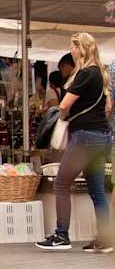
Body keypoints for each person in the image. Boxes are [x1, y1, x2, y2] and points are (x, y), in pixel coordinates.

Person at [37, 33, 113, 252]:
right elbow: (107, 108)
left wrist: (62, 120)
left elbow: (63, 105)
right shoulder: (101, 74)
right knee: (97, 191)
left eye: (73, 47)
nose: (70, 51)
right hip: (101, 137)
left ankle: (61, 235)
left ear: (81, 49)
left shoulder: (85, 74)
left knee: (61, 183)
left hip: (85, 137)